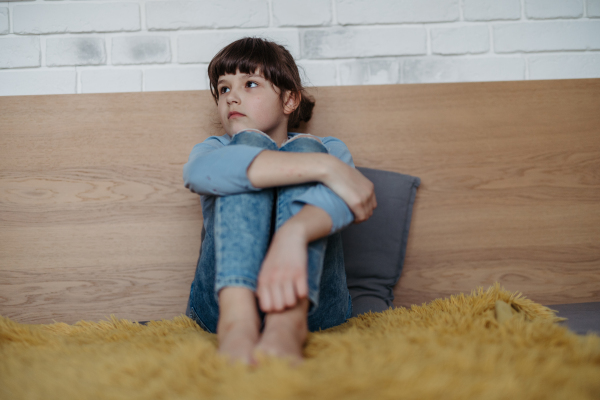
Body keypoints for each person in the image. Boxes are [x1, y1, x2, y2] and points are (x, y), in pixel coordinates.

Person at [183, 37, 376, 366]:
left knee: (306, 146)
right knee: (241, 153)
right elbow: (199, 174)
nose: (233, 97)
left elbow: (347, 200)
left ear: (289, 100)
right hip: (218, 310)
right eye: (224, 88)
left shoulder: (327, 148)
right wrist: (326, 168)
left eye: (251, 83)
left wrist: (294, 233)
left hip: (316, 309)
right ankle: (237, 323)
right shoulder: (214, 148)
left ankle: (286, 325)